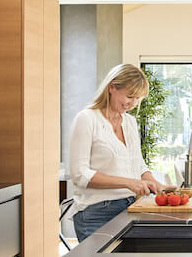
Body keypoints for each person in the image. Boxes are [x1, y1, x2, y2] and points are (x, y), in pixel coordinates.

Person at [68, 64, 173, 242]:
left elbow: (138, 165)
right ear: (112, 87)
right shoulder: (87, 119)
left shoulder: (130, 122)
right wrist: (128, 183)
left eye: (138, 99)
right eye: (130, 96)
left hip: (130, 208)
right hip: (95, 212)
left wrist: (158, 185)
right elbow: (80, 175)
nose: (132, 104)